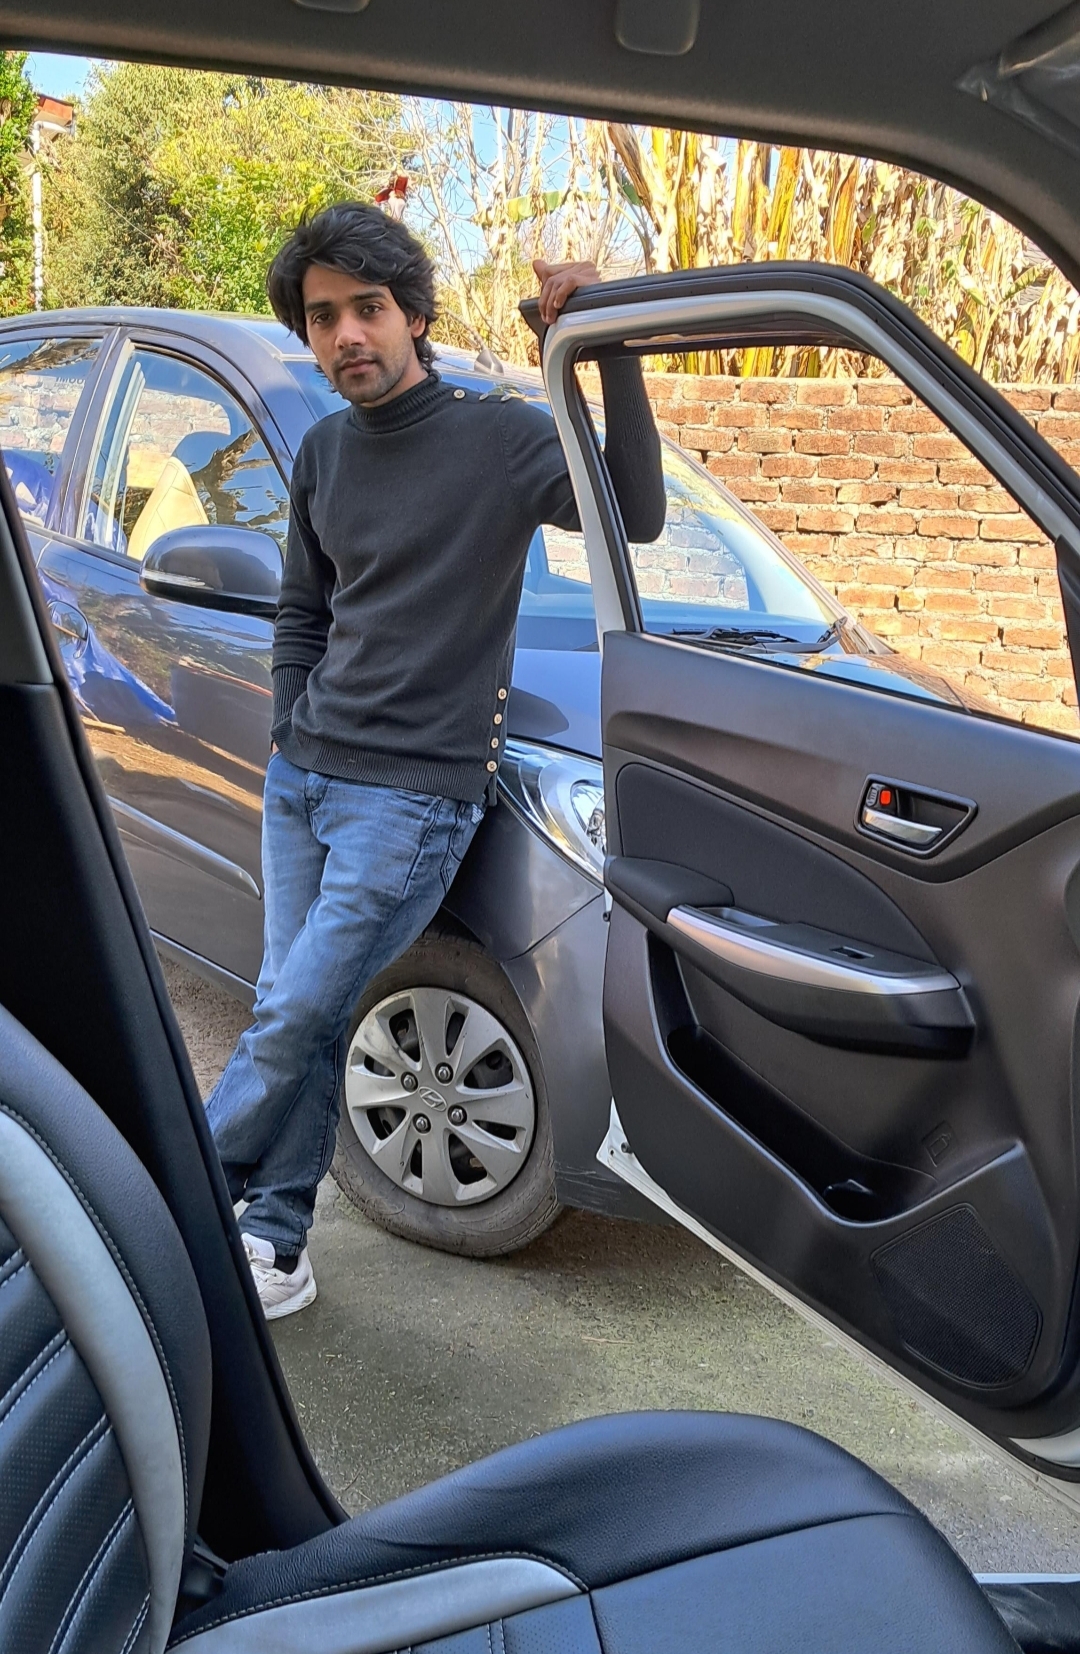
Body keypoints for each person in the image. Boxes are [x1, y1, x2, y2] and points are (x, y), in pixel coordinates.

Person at [206, 201, 665, 1318]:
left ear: (413, 316)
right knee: (298, 1010)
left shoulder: (498, 439)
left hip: (409, 800)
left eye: (366, 308)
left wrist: (601, 345)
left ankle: (171, 1201)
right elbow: (303, 613)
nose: (345, 335)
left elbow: (638, 511)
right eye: (322, 317)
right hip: (305, 779)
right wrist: (290, 725)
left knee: (291, 1016)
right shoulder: (323, 453)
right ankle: (274, 1243)